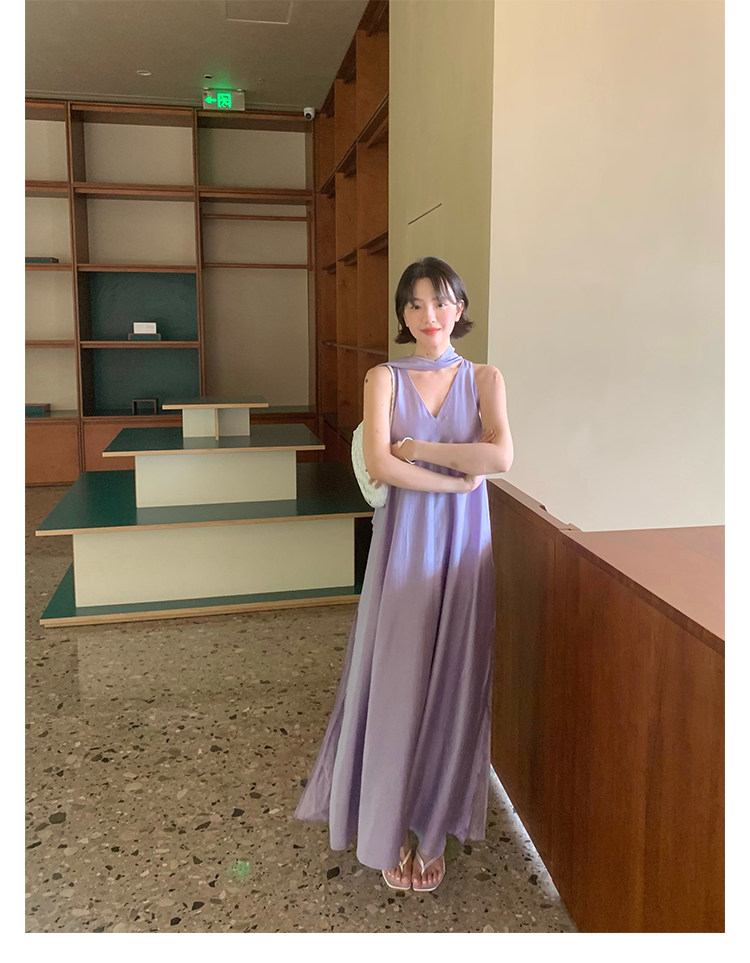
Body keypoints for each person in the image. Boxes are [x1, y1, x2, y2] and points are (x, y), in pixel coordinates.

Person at [294, 256, 514, 892]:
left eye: (440, 301)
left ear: (459, 308)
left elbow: (501, 456)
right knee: (395, 678)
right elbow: (380, 465)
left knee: (454, 681)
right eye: (415, 304)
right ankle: (386, 826)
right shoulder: (383, 377)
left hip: (464, 548)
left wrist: (420, 450)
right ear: (403, 315)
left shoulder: (486, 377)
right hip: (405, 544)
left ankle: (433, 830)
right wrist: (456, 478)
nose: (428, 315)